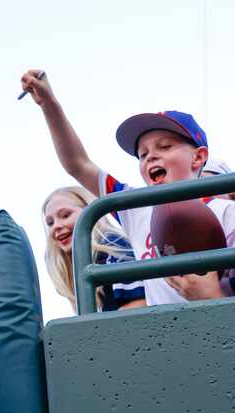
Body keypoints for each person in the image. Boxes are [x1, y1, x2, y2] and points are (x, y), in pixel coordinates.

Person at [22, 69, 235, 304]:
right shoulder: (135, 207)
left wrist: (212, 297)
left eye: (164, 147)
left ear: (198, 157)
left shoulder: (227, 213)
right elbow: (78, 164)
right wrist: (49, 104)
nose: (151, 157)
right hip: (164, 335)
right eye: (142, 155)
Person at [43, 186, 146, 311]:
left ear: (89, 210)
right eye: (50, 223)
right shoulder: (79, 268)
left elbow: (138, 307)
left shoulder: (112, 245)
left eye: (65, 215)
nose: (56, 226)